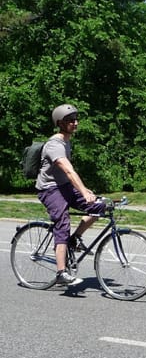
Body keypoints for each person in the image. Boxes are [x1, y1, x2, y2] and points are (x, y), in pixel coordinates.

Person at [36, 104, 106, 286]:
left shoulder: (67, 142)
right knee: (62, 222)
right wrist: (83, 191)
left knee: (99, 205)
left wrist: (86, 191)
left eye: (76, 119)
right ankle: (61, 272)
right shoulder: (54, 145)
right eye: (70, 120)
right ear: (60, 123)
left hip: (64, 186)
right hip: (49, 189)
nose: (75, 123)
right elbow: (68, 171)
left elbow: (69, 176)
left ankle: (74, 239)